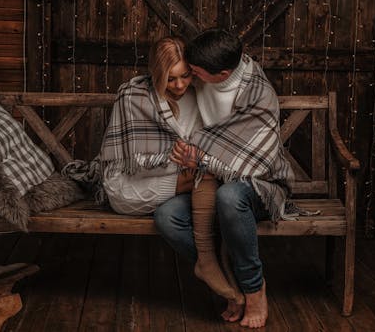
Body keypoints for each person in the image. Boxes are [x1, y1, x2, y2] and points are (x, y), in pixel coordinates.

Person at [65, 36, 243, 305]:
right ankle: (217, 267)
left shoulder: (200, 94)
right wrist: (175, 161)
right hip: (137, 180)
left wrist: (195, 158)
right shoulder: (133, 96)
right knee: (126, 194)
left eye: (185, 76)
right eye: (171, 79)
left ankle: (212, 267)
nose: (180, 85)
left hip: (190, 176)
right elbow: (130, 162)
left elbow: (217, 140)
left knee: (194, 190)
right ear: (157, 74)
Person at [154, 29, 295, 329]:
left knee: (230, 196)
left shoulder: (258, 94)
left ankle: (253, 289)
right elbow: (164, 81)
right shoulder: (202, 73)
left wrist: (201, 158)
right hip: (206, 181)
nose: (189, 76)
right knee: (167, 216)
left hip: (259, 183)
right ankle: (221, 276)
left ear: (222, 74)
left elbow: (256, 164)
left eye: (194, 72)